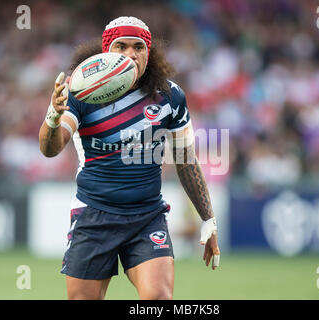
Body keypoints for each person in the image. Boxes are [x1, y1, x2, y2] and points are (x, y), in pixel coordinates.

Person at [39, 16, 220, 300]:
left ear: (149, 53)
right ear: (106, 50)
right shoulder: (82, 91)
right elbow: (51, 148)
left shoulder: (169, 96)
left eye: (138, 47)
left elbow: (186, 161)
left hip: (147, 216)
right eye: (121, 46)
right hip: (94, 214)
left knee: (158, 299)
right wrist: (53, 116)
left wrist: (208, 219)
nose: (130, 54)